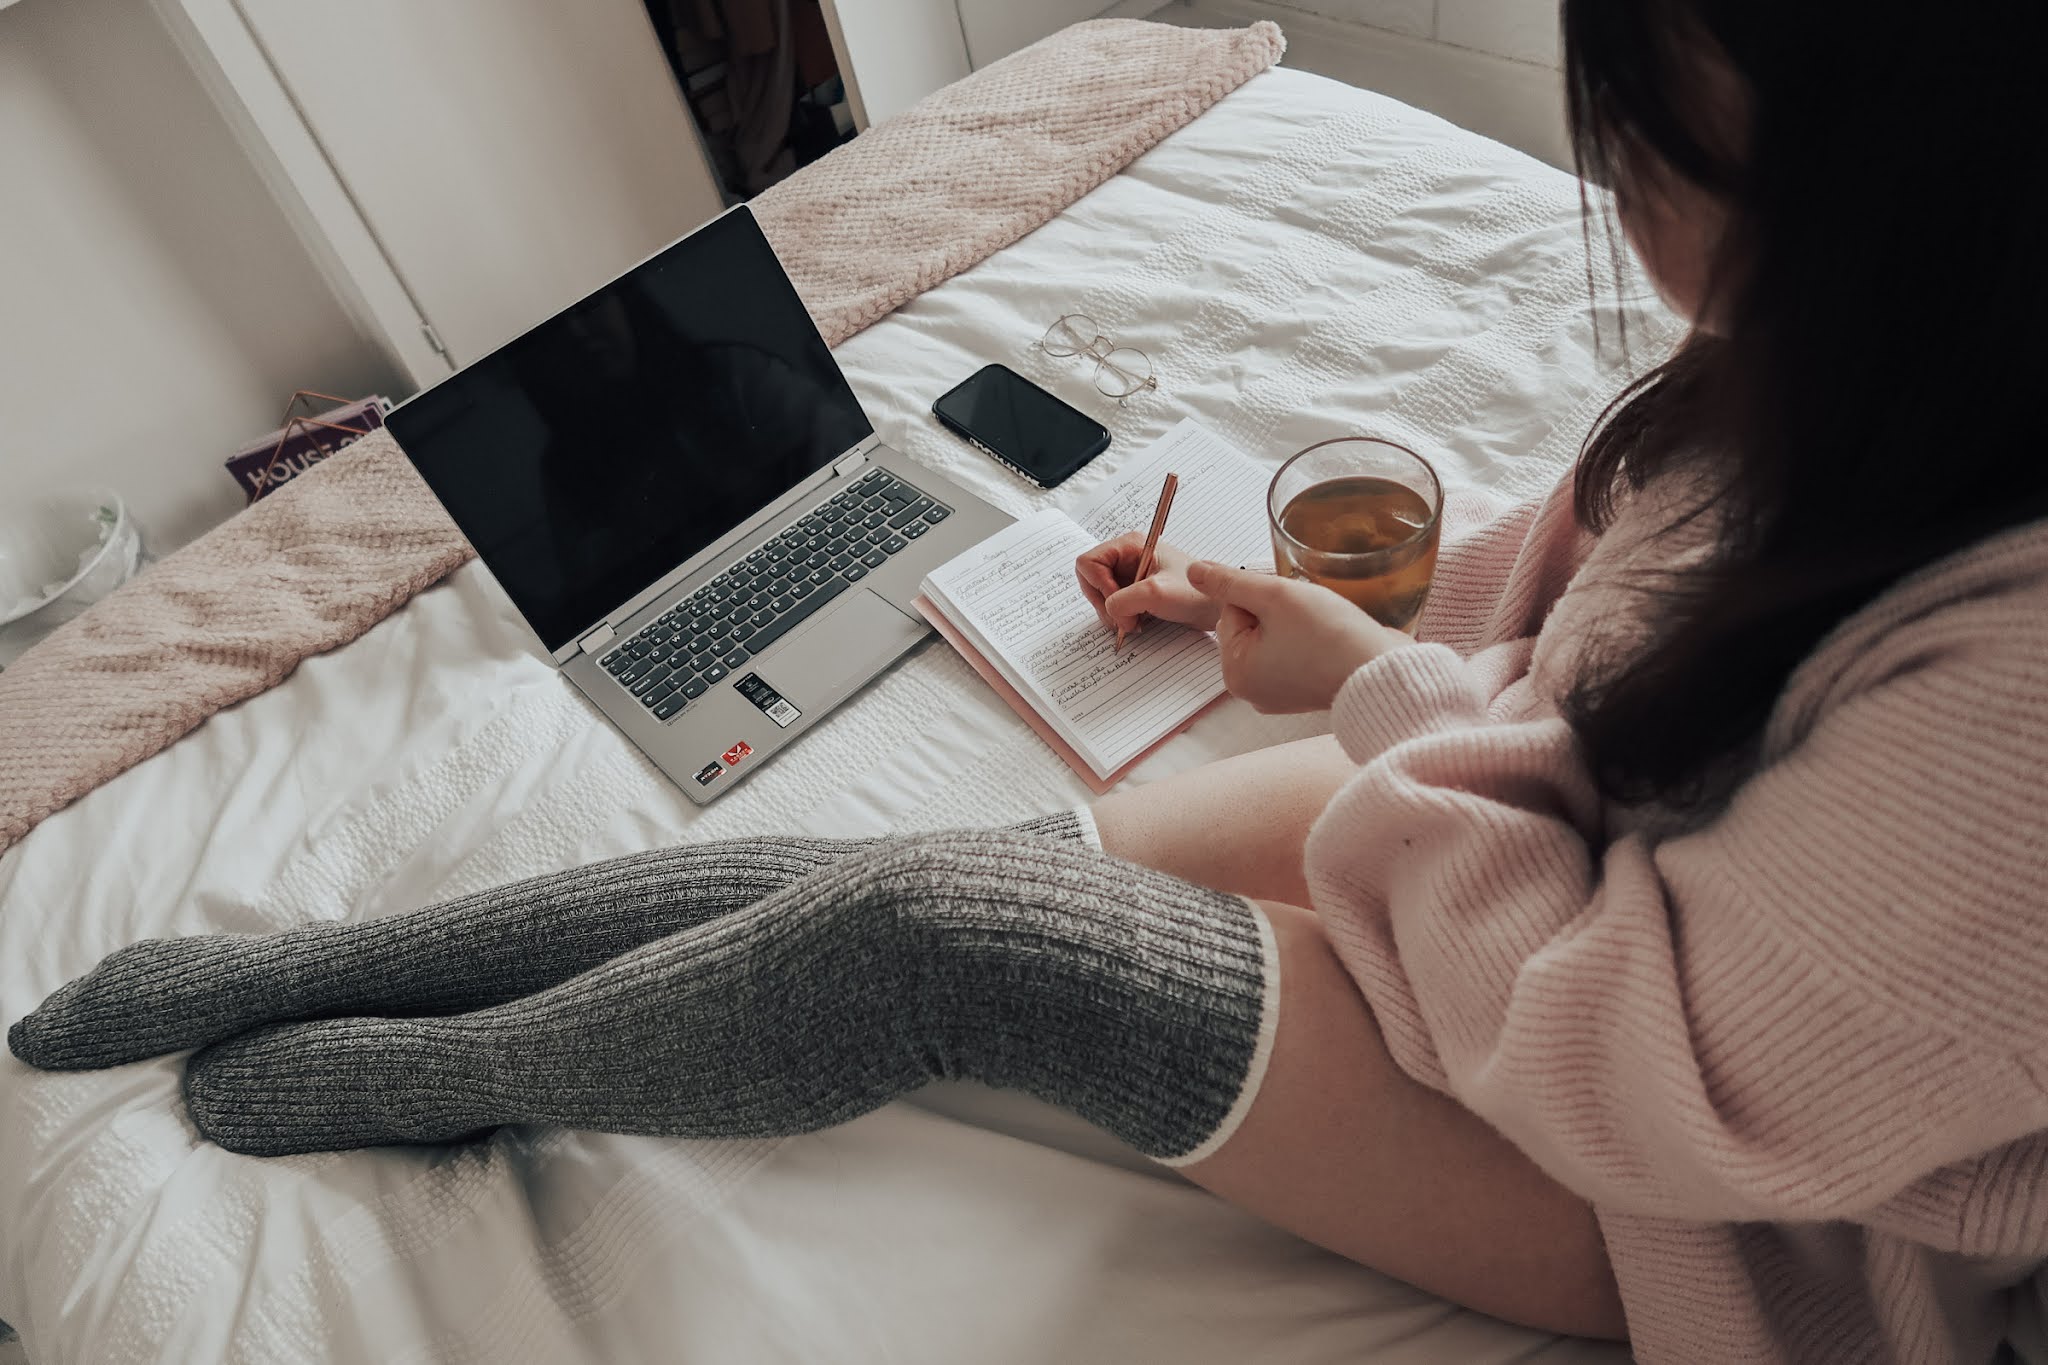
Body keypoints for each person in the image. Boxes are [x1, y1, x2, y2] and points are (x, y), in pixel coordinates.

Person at [10, 1, 2046, 1360]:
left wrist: (1395, 724)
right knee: (894, 869)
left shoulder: (2009, 718)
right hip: (1579, 863)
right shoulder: (1884, 370)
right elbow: (1621, 612)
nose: (1618, 195)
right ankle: (340, 960)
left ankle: (433, 1076)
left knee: (945, 932)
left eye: (1663, 162)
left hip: (1687, 1184)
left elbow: (1634, 1064)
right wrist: (1361, 650)